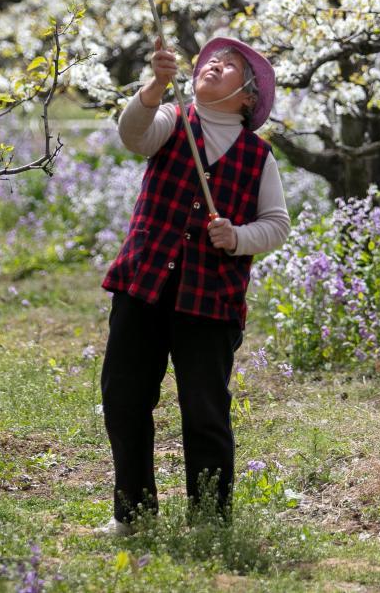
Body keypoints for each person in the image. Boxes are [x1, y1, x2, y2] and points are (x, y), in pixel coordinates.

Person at [98, 36, 291, 535]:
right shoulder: (171, 120)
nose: (213, 67)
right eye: (210, 62)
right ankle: (134, 515)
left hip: (210, 299)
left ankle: (208, 519)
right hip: (144, 283)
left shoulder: (258, 157)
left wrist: (237, 237)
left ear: (247, 98)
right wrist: (154, 86)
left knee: (204, 411)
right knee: (125, 398)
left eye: (227, 67)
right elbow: (133, 136)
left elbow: (276, 224)